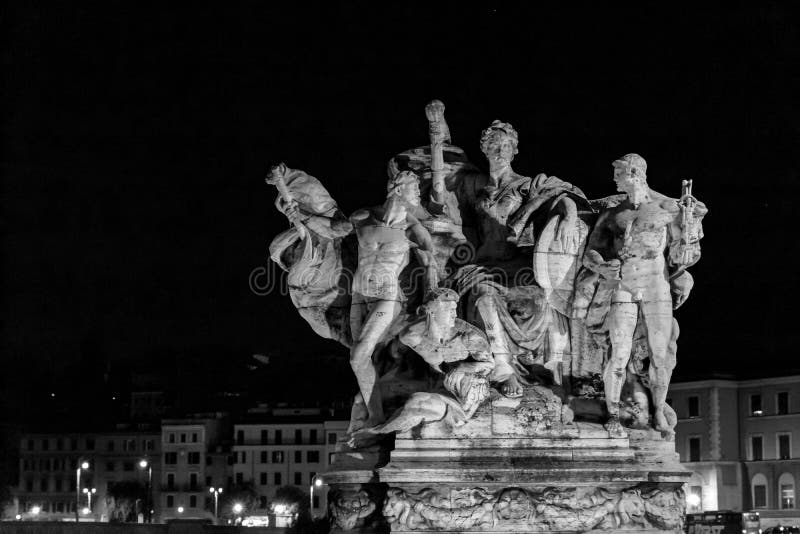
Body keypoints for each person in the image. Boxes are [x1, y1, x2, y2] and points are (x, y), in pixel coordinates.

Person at [452, 121, 589, 397]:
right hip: (482, 267)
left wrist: (570, 215)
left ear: (515, 150)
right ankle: (502, 367)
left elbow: (560, 194)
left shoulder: (528, 185)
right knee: (483, 297)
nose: (499, 150)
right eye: (493, 144)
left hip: (520, 266)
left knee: (542, 301)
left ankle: (553, 369)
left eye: (506, 145)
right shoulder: (472, 186)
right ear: (484, 147)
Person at [578, 154, 706, 435]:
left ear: (635, 173)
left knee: (661, 355)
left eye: (619, 173)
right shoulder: (613, 215)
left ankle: (659, 410)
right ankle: (612, 415)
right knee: (619, 353)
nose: (614, 179)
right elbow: (591, 252)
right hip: (623, 285)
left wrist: (694, 224)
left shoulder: (668, 208)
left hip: (655, 287)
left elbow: (687, 251)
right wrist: (602, 266)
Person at [349, 171, 438, 428]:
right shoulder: (362, 217)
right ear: (398, 189)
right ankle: (373, 410)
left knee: (358, 356)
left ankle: (375, 415)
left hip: (386, 297)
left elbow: (431, 258)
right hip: (358, 294)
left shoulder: (413, 229)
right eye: (415, 188)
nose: (419, 193)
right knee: (362, 358)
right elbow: (333, 230)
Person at [348, 288, 493, 447]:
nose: (455, 315)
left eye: (455, 309)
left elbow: (490, 365)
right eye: (450, 310)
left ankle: (377, 433)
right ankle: (355, 442)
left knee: (416, 403)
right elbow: (402, 355)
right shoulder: (411, 334)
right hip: (434, 383)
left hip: (461, 395)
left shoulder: (469, 336)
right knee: (361, 399)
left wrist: (464, 367)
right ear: (431, 312)